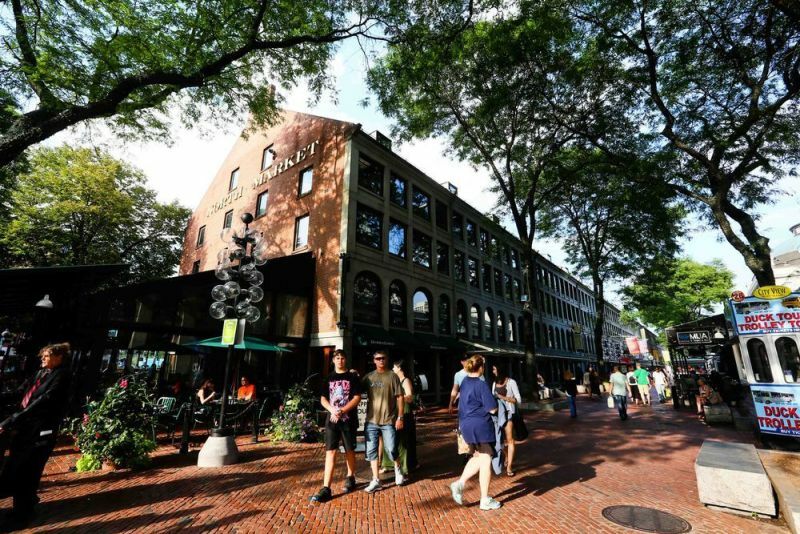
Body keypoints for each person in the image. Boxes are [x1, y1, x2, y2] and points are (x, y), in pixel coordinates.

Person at [0, 343, 72, 528]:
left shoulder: (62, 376)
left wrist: (11, 420)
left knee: (29, 470)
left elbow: (42, 402)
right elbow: (21, 392)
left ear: (58, 357)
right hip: (24, 430)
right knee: (17, 465)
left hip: (41, 431)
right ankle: (25, 503)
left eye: (46, 356)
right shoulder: (40, 373)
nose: (42, 359)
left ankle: (23, 514)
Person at [449, 355, 501, 511]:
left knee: (478, 456)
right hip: (481, 425)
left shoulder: (464, 381)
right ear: (481, 368)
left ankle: (459, 484)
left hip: (466, 424)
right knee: (486, 460)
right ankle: (484, 500)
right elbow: (492, 408)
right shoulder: (482, 384)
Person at [310, 349, 362, 503]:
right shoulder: (328, 378)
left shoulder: (353, 377)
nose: (340, 360)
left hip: (348, 420)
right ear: (333, 360)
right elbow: (323, 399)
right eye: (337, 358)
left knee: (349, 450)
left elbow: (357, 397)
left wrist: (342, 410)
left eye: (342, 358)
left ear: (346, 360)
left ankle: (350, 477)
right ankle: (326, 487)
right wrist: (333, 410)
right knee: (330, 452)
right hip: (332, 420)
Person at [362, 350, 405, 493]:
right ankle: (375, 479)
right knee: (372, 451)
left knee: (391, 448)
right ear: (374, 360)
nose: (381, 360)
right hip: (371, 421)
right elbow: (356, 390)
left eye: (383, 358)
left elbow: (400, 397)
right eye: (378, 358)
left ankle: (398, 468)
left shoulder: (393, 377)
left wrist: (400, 417)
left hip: (388, 420)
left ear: (386, 360)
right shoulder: (368, 377)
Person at [380, 360, 417, 475]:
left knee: (403, 441)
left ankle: (404, 466)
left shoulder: (406, 381)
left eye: (394, 367)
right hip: (394, 412)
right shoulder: (394, 380)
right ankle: (388, 464)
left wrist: (399, 398)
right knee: (390, 438)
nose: (393, 369)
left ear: (400, 368)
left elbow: (410, 397)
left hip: (404, 412)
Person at [492, 366, 521, 476]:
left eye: (495, 369)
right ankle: (507, 456)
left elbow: (518, 399)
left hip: (508, 414)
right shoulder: (494, 383)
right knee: (498, 441)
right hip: (497, 416)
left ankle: (509, 467)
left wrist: (503, 398)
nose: (493, 371)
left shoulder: (511, 382)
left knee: (510, 440)